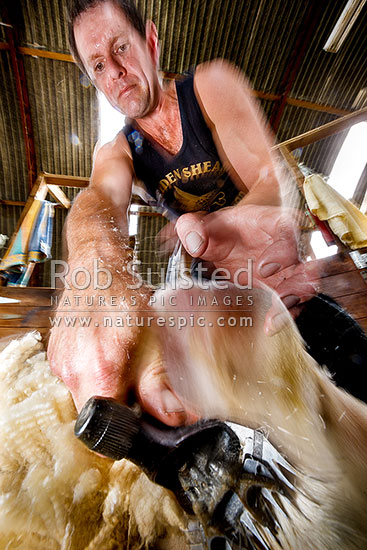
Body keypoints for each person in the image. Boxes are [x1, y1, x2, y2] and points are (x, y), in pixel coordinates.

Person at [47, 0, 345, 420]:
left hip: (273, 272)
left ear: (150, 42)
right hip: (215, 304)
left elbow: (268, 178)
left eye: (121, 48)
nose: (113, 71)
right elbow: (100, 198)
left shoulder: (208, 88)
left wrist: (236, 222)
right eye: (97, 65)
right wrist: (94, 261)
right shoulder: (119, 151)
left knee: (349, 369)